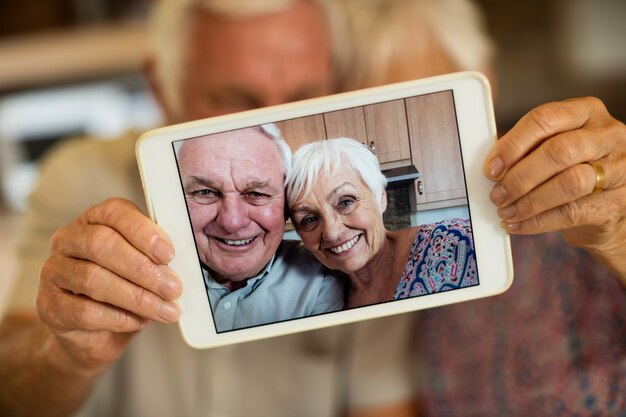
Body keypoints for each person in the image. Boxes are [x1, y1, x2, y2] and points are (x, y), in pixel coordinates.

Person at [0, 1, 417, 417]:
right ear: (163, 88)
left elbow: (380, 404)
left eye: (302, 97)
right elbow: (11, 394)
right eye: (236, 101)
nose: (274, 128)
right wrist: (66, 356)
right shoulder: (81, 178)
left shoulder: (351, 242)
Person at [336, 0, 626, 414]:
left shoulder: (582, 188)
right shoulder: (384, 264)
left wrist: (618, 235)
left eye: (421, 106)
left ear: (483, 76)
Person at [176, 125, 344, 331]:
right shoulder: (150, 269)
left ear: (287, 207)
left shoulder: (324, 278)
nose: (232, 222)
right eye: (205, 192)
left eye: (256, 193)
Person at [287, 137, 477, 308]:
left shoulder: (459, 242)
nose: (331, 233)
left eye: (346, 202)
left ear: (381, 198)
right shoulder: (325, 297)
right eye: (309, 219)